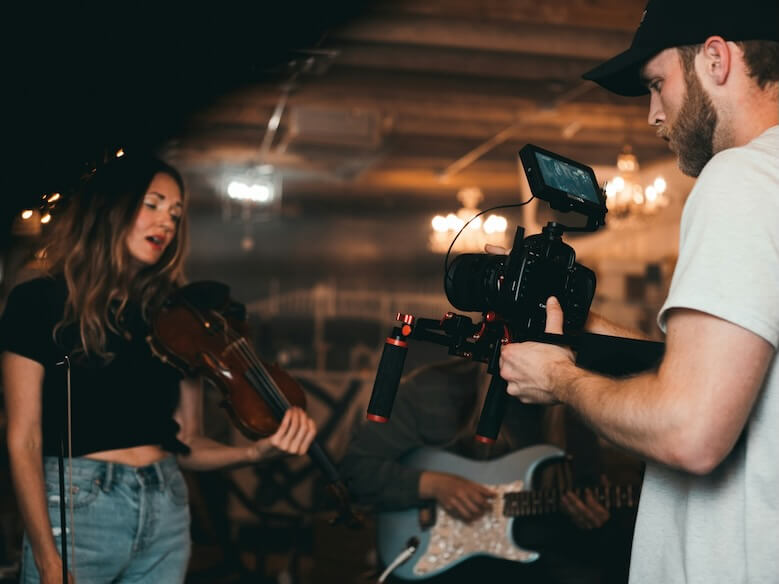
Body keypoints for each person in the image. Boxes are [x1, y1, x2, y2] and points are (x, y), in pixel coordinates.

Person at [498, 0, 779, 582]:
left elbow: (690, 429)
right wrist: (589, 333)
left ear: (717, 59)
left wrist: (558, 378)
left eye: (657, 84)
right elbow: (735, 379)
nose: (654, 115)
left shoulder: (742, 178)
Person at [0, 153, 318, 584]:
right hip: (78, 512)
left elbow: (187, 441)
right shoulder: (38, 301)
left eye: (175, 213)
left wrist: (254, 452)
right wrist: (47, 558)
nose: (166, 222)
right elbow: (23, 437)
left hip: (166, 507)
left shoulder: (176, 317)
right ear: (110, 208)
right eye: (152, 204)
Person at [341, 357, 641, 583]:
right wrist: (432, 485)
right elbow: (354, 472)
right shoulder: (430, 390)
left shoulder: (576, 410)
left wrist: (592, 521)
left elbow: (586, 503)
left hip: (534, 569)